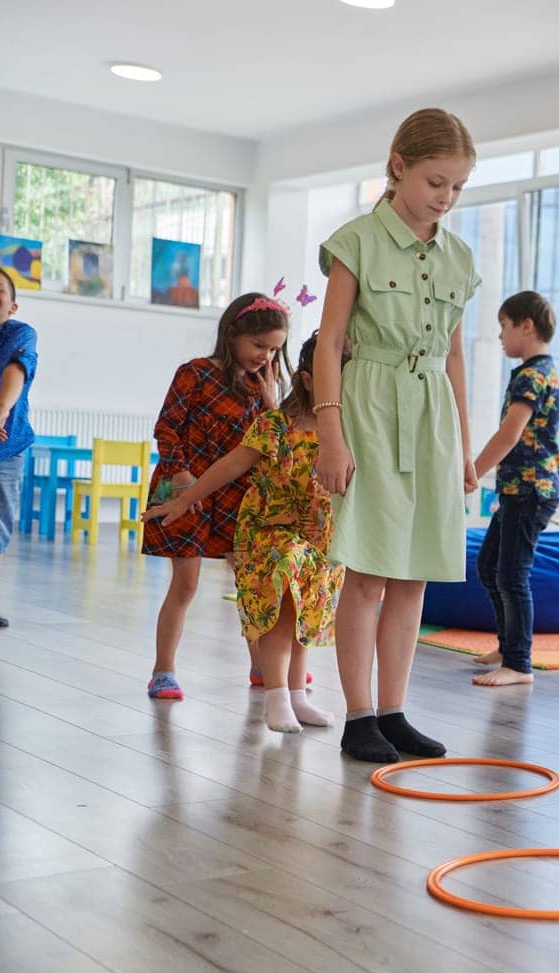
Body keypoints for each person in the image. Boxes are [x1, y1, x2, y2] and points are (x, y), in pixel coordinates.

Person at [313, 107, 482, 763]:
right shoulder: (355, 241)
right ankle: (359, 715)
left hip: (433, 408)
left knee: (415, 574)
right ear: (399, 166)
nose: (445, 197)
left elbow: (458, 356)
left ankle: (394, 709)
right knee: (369, 569)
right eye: (436, 181)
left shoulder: (460, 258)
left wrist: (464, 446)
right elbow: (329, 341)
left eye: (457, 187)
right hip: (370, 404)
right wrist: (331, 431)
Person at [144, 332, 347, 733]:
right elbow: (230, 465)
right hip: (267, 530)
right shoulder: (274, 425)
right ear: (308, 379)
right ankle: (276, 698)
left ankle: (296, 697)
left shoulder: (344, 432)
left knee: (306, 609)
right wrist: (184, 498)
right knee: (280, 597)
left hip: (318, 536)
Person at [144, 293, 286, 701]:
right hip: (185, 487)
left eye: (274, 349)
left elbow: (270, 442)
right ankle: (163, 670)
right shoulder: (195, 373)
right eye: (259, 345)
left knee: (251, 584)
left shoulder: (262, 387)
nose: (265, 355)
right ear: (232, 334)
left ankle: (262, 666)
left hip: (238, 495)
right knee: (185, 585)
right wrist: (183, 476)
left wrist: (273, 400)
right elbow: (168, 427)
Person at [469, 292, 559, 687]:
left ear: (527, 326)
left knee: (512, 574)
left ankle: (519, 663)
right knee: (489, 564)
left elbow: (509, 435)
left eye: (505, 327)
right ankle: (508, 646)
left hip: (531, 488)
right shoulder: (539, 371)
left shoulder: (532, 376)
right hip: (518, 488)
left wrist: (472, 472)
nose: (501, 336)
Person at [0, 264, 37, 630]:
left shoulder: (20, 333)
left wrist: (1, 410)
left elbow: (15, 371)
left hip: (5, 444)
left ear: (13, 306)